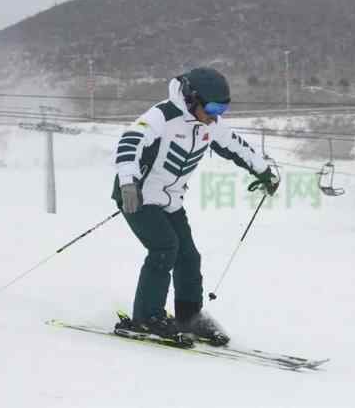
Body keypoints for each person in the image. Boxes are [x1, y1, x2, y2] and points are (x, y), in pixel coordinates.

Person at [111, 67, 279, 347]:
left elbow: (237, 146)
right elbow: (130, 142)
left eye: (223, 109)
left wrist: (265, 172)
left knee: (189, 257)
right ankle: (147, 317)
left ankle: (189, 316)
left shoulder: (210, 125)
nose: (217, 115)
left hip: (171, 200)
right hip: (138, 195)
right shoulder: (162, 116)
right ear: (192, 98)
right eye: (212, 107)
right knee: (165, 248)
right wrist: (128, 181)